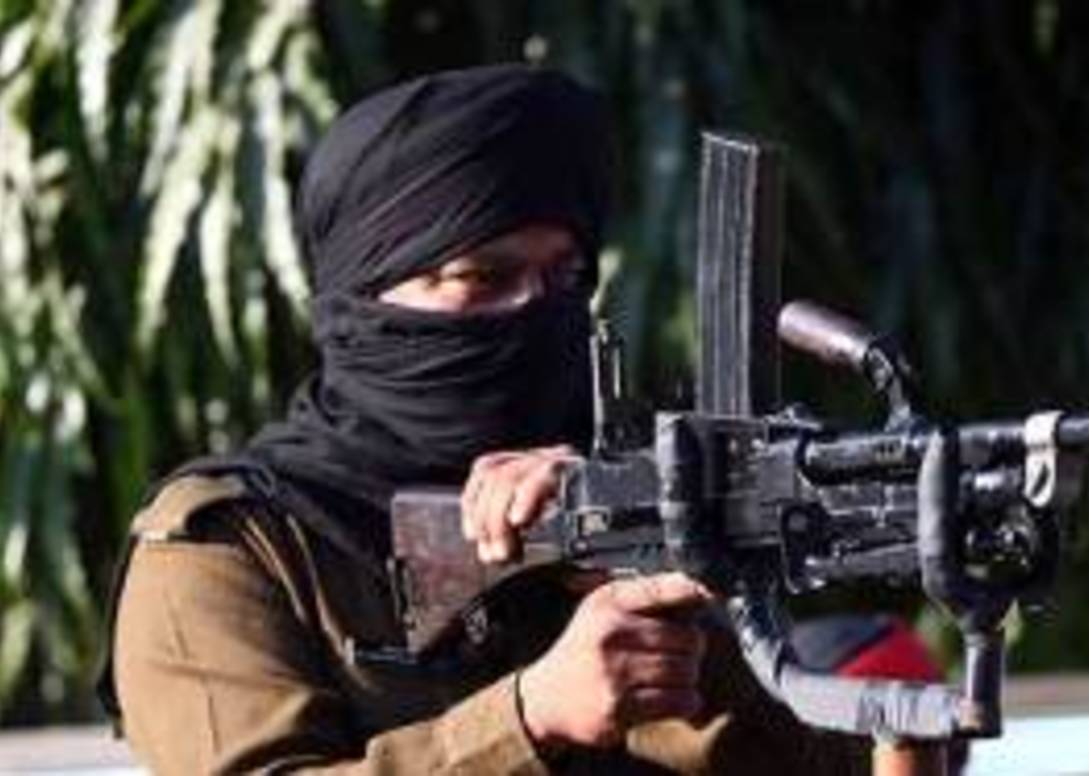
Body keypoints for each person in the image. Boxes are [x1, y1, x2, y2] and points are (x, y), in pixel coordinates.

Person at [99, 64, 946, 774]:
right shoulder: (226, 549)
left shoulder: (609, 495)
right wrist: (529, 716)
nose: (533, 311)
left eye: (564, 277)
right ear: (363, 301)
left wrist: (689, 616)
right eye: (482, 277)